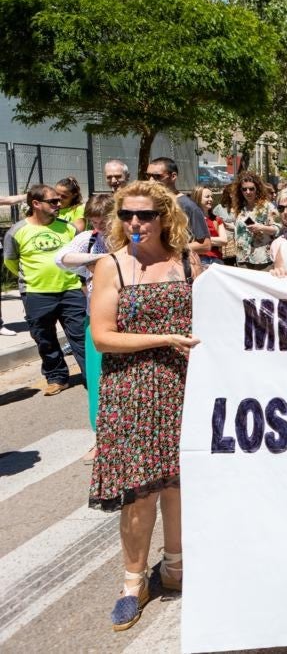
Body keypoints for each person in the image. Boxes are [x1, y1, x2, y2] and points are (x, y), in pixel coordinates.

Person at [88, 180, 201, 631]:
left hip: (184, 386)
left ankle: (175, 567)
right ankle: (133, 582)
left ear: (164, 216)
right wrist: (164, 338)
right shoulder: (110, 265)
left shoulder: (188, 263)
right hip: (132, 389)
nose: (136, 223)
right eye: (127, 216)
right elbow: (102, 336)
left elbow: (231, 304)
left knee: (179, 483)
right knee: (139, 492)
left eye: (146, 215)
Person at [3, 184, 88, 395]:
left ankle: (92, 376)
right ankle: (57, 378)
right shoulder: (18, 231)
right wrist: (33, 277)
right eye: (53, 201)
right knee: (44, 338)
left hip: (71, 290)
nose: (59, 204)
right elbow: (10, 261)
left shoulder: (68, 228)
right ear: (36, 204)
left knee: (81, 336)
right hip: (36, 293)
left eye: (59, 200)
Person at [54, 193, 114, 443]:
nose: (98, 227)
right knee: (97, 380)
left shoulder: (130, 237)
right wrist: (97, 259)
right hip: (95, 318)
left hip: (127, 319)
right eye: (94, 222)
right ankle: (100, 436)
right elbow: (61, 258)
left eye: (103, 222)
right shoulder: (88, 239)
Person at [144, 157, 211, 255]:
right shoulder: (147, 203)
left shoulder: (188, 206)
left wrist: (168, 250)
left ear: (173, 176)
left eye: (156, 176)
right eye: (148, 176)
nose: (151, 181)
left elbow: (205, 245)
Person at [228, 171, 280, 271]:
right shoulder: (240, 208)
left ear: (257, 189)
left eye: (251, 189)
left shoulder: (269, 206)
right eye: (244, 189)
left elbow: (278, 228)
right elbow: (244, 228)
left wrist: (261, 227)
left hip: (262, 259)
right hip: (242, 258)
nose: (248, 192)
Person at [193, 187, 226, 267]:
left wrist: (202, 241)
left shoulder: (217, 219)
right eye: (207, 197)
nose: (211, 199)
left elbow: (224, 241)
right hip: (198, 260)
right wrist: (214, 241)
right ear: (197, 198)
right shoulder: (190, 219)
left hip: (217, 260)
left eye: (211, 197)